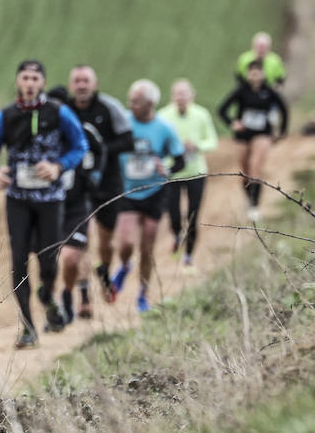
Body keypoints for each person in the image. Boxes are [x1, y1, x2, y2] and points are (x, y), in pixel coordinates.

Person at [0, 60, 87, 349]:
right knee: (18, 261)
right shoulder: (6, 117)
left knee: (48, 261)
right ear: (18, 82)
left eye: (35, 78)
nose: (29, 83)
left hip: (50, 200)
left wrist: (59, 166)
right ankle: (27, 326)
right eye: (25, 77)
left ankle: (48, 296)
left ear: (42, 83)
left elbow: (80, 146)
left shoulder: (58, 113)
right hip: (18, 201)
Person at [58, 65, 134, 306]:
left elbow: (128, 140)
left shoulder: (109, 107)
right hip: (77, 188)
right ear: (71, 86)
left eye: (86, 81)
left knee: (105, 242)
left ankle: (104, 271)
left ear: (95, 84)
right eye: (77, 81)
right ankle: (84, 297)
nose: (81, 85)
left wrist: (99, 149)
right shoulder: (63, 110)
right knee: (81, 240)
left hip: (108, 184)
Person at [110, 80, 186, 312]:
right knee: (125, 243)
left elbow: (180, 159)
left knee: (147, 247)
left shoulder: (164, 128)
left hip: (155, 192)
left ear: (150, 103)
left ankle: (143, 293)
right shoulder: (122, 122)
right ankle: (124, 266)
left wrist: (168, 169)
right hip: (128, 191)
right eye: (130, 100)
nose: (130, 104)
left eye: (136, 101)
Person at [45, 86, 106, 323]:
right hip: (48, 205)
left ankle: (76, 295)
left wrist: (95, 176)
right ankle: (54, 305)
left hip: (78, 205)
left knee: (73, 255)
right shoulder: (39, 136)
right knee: (50, 258)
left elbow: (101, 151)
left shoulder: (82, 131)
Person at [156, 79, 218, 266]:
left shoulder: (201, 114)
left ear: (192, 95)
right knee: (174, 215)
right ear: (172, 96)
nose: (181, 98)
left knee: (193, 215)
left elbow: (212, 141)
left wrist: (196, 146)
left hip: (196, 172)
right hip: (172, 173)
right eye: (177, 94)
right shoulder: (163, 116)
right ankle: (177, 236)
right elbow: (157, 144)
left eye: (184, 94)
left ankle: (189, 255)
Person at [218, 58, 289, 221]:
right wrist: (232, 123)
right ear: (248, 75)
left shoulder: (269, 92)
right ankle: (249, 199)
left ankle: (255, 205)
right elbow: (222, 109)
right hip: (243, 135)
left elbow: (284, 109)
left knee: (255, 166)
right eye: (252, 73)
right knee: (244, 172)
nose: (255, 77)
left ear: (263, 74)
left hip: (262, 133)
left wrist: (282, 131)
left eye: (258, 73)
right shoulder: (241, 91)